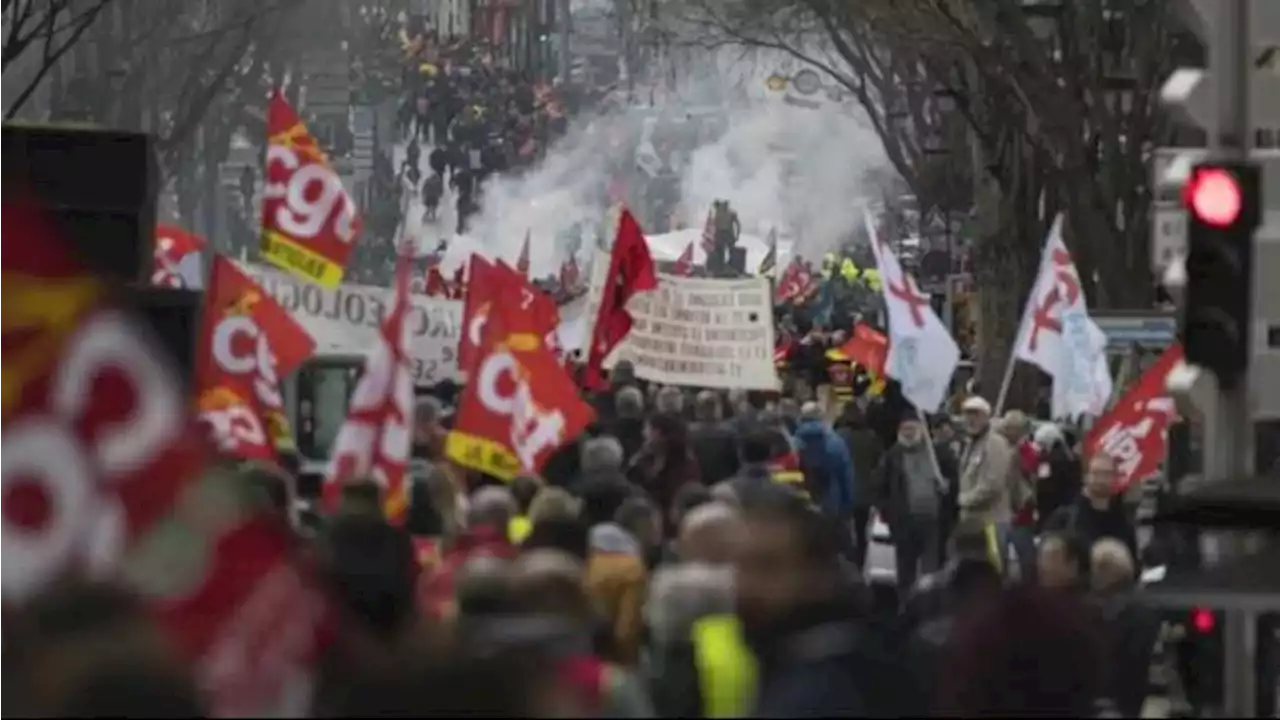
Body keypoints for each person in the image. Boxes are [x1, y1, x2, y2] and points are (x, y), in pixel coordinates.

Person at [735, 488, 923, 717]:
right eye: (741, 566)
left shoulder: (821, 692)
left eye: (768, 566)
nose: (748, 584)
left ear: (818, 574)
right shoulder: (787, 661)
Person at [873, 414, 953, 594]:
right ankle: (905, 608)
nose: (908, 433)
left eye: (912, 428)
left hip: (932, 521)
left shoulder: (937, 454)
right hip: (904, 522)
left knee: (930, 570)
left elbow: (953, 479)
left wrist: (947, 488)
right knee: (905, 571)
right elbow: (879, 486)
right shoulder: (892, 456)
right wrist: (888, 513)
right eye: (904, 429)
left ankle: (929, 607)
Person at [585, 497, 659, 666]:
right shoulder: (632, 570)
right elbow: (626, 631)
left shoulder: (589, 556)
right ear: (644, 527)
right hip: (608, 662)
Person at [956, 396, 1015, 576]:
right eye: (966, 414)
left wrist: (964, 499)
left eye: (975, 414)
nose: (970, 419)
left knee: (993, 572)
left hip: (991, 522)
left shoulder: (995, 443)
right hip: (973, 522)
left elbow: (993, 483)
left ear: (986, 417)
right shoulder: (971, 444)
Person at [1044, 452, 1138, 562]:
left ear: (1114, 478)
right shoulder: (1066, 518)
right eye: (1096, 473)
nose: (1101, 479)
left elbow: (1132, 562)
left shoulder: (1124, 523)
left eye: (1107, 474)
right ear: (1086, 477)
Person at [835, 403, 883, 570]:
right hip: (865, 491)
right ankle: (861, 563)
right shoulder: (871, 437)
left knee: (845, 529)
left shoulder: (838, 436)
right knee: (862, 531)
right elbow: (879, 463)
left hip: (843, 490)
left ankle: (847, 562)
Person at [791, 401, 856, 523]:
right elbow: (845, 476)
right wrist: (847, 507)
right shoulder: (836, 443)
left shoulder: (792, 444)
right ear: (821, 417)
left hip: (801, 509)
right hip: (830, 507)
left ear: (801, 418)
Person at [689, 390, 740, 486]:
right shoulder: (728, 432)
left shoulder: (690, 432)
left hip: (700, 485)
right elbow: (736, 465)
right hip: (722, 484)